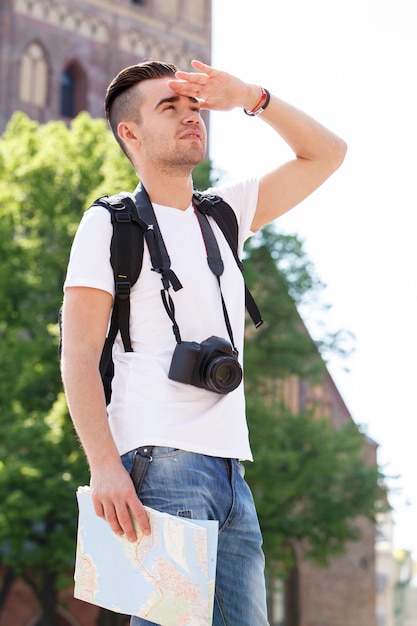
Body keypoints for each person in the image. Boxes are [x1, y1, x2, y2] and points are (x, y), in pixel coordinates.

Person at [60, 59, 346, 625]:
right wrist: (104, 466)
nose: (193, 117)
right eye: (170, 108)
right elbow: (77, 356)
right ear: (130, 133)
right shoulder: (110, 224)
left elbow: (328, 153)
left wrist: (249, 96)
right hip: (157, 461)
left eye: (195, 107)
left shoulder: (223, 215)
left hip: (233, 471)